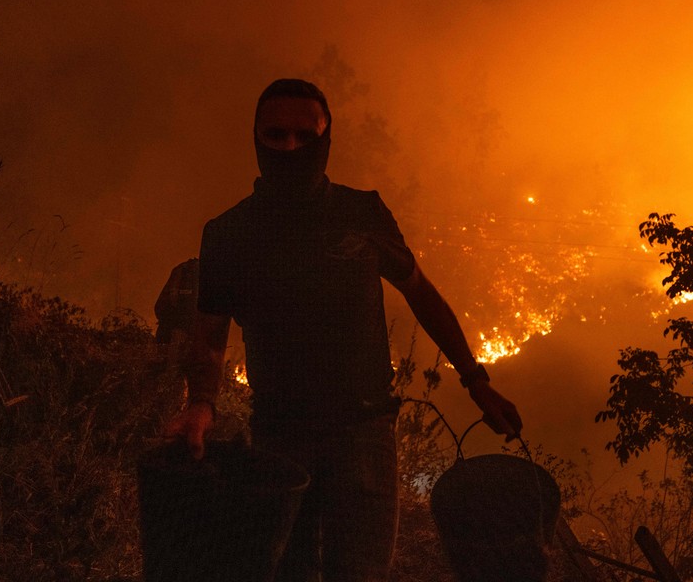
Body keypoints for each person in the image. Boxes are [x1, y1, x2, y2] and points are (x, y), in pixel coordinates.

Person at [166, 79, 522, 581]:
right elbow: (210, 331)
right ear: (256, 139)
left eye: (303, 136)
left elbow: (420, 292)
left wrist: (476, 380)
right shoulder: (230, 233)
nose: (289, 147)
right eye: (275, 135)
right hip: (278, 434)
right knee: (288, 571)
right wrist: (201, 403)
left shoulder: (362, 213)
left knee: (360, 573)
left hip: (365, 433)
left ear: (325, 139)